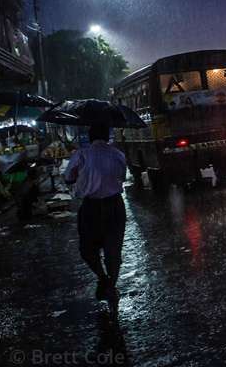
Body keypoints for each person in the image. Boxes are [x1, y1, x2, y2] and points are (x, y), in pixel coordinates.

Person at [64, 125, 127, 319]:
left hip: (91, 207)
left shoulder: (81, 154)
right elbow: (122, 176)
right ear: (106, 137)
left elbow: (68, 177)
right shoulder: (117, 154)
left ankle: (102, 278)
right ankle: (111, 286)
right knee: (113, 250)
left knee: (87, 249)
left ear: (89, 138)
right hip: (115, 205)